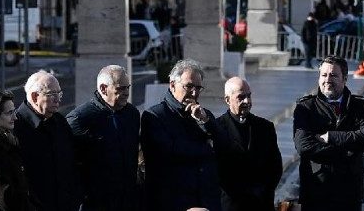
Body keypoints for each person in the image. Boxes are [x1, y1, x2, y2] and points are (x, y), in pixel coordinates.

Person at [293, 55, 364, 209]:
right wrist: (346, 152)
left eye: (333, 75)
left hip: (349, 192)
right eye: (324, 75)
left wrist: (330, 137)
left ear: (345, 79)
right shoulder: (306, 107)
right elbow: (304, 146)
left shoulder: (359, 106)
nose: (327, 80)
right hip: (316, 191)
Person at [141, 58, 222, 211]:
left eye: (198, 88)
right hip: (174, 202)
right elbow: (169, 156)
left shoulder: (204, 114)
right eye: (189, 86)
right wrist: (206, 148)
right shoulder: (154, 116)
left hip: (207, 201)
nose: (194, 92)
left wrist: (204, 122)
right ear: (172, 85)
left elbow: (225, 145)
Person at [67, 64, 141, 211]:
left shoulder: (132, 114)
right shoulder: (80, 119)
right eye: (120, 88)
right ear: (103, 88)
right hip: (95, 203)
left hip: (127, 201)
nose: (126, 92)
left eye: (128, 87)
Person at [210, 76, 282, 211]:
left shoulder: (265, 127)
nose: (247, 101)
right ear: (227, 100)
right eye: (241, 97)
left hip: (261, 203)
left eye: (249, 96)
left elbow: (275, 166)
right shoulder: (216, 129)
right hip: (231, 204)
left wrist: (262, 190)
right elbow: (217, 171)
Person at [14, 70, 81, 211]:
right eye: (52, 94)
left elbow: (72, 163)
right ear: (34, 96)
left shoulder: (60, 122)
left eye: (59, 94)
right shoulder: (16, 127)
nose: (58, 99)